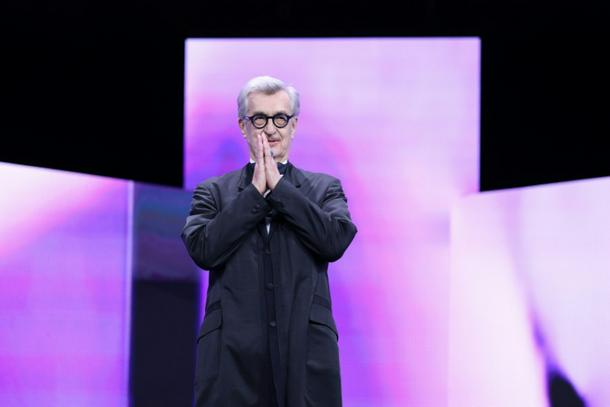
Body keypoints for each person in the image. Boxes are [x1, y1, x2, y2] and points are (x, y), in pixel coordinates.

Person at [182, 75, 357, 407]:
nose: (271, 129)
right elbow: (203, 249)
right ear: (243, 126)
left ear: (294, 125)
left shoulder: (324, 188)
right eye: (260, 119)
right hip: (232, 355)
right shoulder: (213, 192)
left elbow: (335, 240)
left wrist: (279, 189)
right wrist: (254, 194)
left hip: (305, 350)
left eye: (280, 118)